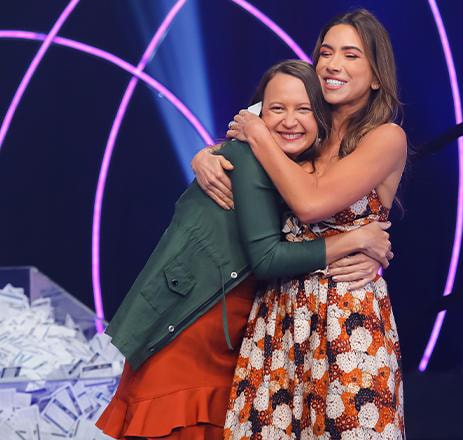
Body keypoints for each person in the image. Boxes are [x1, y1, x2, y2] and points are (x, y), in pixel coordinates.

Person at [96, 60, 392, 440]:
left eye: (303, 109)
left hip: (235, 337)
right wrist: (355, 240)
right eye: (276, 110)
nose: (289, 121)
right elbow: (268, 258)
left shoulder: (293, 168)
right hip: (192, 328)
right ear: (258, 115)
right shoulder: (249, 158)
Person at [194, 9, 407, 439]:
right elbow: (234, 161)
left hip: (348, 321)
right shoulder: (302, 130)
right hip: (279, 315)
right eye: (326, 52)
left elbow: (311, 205)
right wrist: (204, 156)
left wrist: (257, 134)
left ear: (377, 76)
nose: (333, 64)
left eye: (351, 55)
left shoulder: (385, 138)